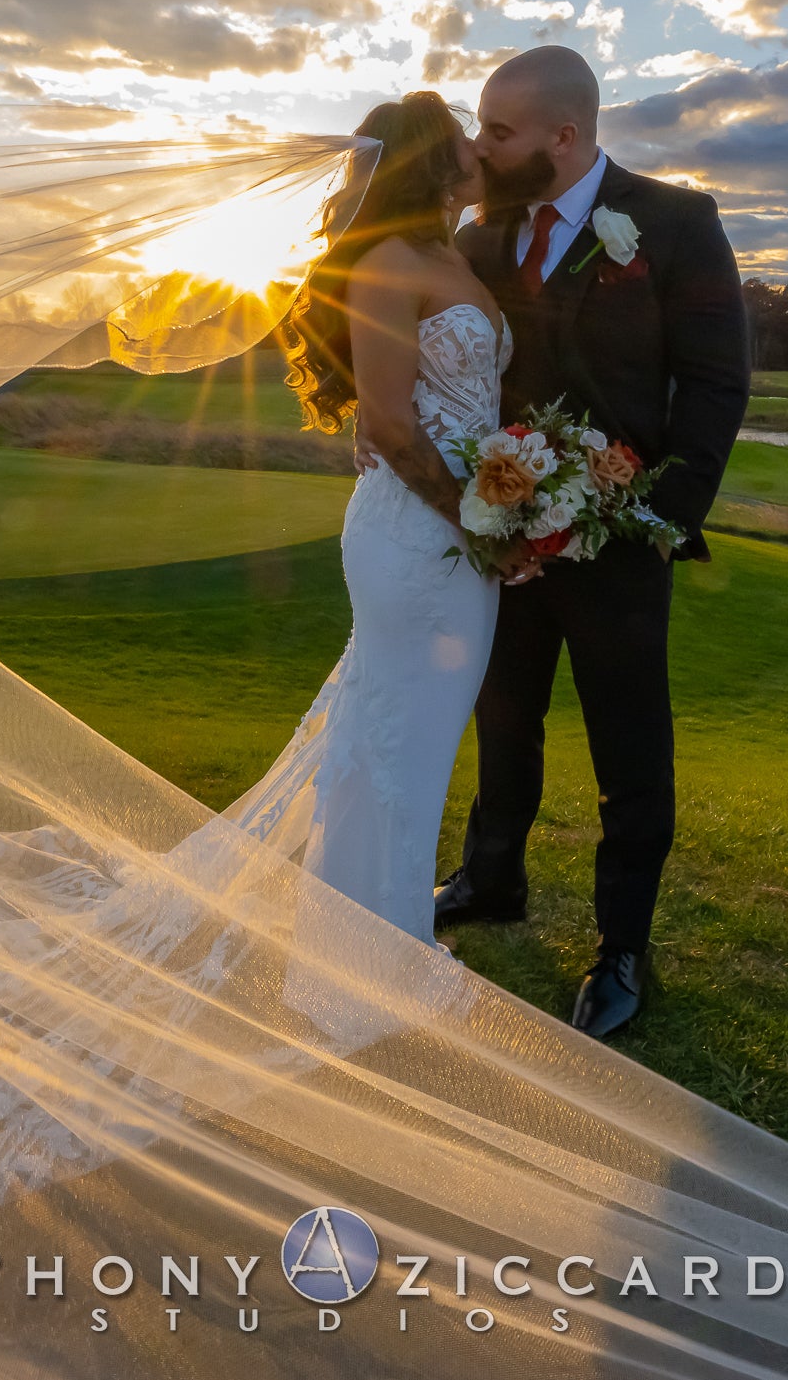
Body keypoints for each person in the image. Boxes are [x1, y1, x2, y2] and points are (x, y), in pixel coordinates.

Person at [434, 44, 752, 1039]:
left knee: (628, 747)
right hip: (508, 537)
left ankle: (622, 946)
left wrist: (659, 519)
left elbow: (712, 385)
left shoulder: (673, 223)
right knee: (503, 717)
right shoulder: (479, 236)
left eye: (497, 130)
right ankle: (493, 880)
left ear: (562, 137)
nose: (480, 147)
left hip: (621, 540)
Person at [272, 91, 507, 940]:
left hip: (456, 535)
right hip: (416, 538)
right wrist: (479, 522)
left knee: (405, 747)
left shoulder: (453, 253)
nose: (481, 149)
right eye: (465, 140)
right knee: (398, 750)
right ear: (434, 163)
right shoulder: (386, 263)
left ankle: (361, 941)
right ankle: (372, 961)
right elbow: (393, 425)